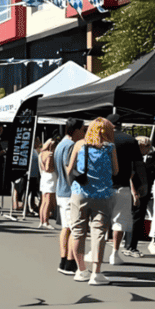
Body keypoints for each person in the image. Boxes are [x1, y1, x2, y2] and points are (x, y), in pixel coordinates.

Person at [66, 117, 118, 285]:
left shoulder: (79, 145)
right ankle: (97, 273)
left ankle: (81, 270)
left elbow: (69, 169)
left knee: (78, 231)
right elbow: (116, 171)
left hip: (80, 193)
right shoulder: (110, 147)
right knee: (99, 232)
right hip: (102, 195)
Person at [107, 126, 146, 265]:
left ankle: (95, 252)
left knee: (99, 221)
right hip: (122, 185)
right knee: (120, 222)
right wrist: (141, 184)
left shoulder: (100, 138)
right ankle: (114, 254)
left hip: (103, 186)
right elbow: (138, 164)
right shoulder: (129, 140)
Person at [54, 118, 85, 275]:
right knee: (74, 228)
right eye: (83, 130)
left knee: (66, 228)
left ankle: (64, 261)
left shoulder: (61, 144)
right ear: (77, 130)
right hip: (68, 191)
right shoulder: (70, 145)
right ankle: (70, 263)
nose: (84, 133)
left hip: (61, 190)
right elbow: (69, 169)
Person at [37, 137, 57, 227]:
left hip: (44, 177)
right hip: (50, 177)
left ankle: (41, 221)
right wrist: (54, 169)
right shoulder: (50, 154)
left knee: (43, 200)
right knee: (48, 200)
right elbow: (48, 168)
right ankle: (46, 221)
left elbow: (43, 167)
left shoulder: (41, 154)